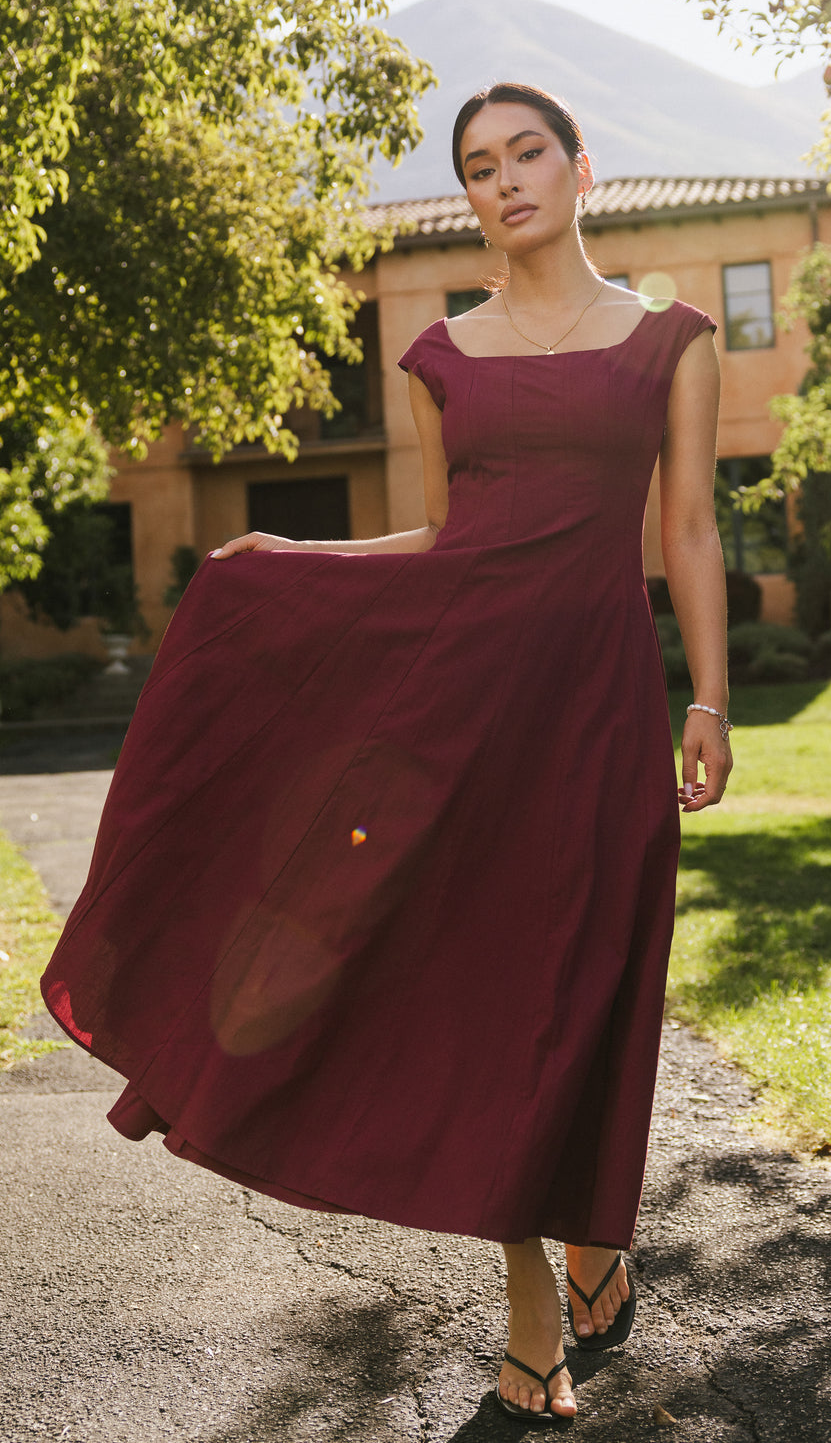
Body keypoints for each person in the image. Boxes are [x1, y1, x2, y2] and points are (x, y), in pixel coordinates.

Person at [42, 81, 732, 1424]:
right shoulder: (441, 358)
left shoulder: (675, 341)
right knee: (480, 1004)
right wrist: (294, 562)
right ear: (470, 196)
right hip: (458, 725)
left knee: (588, 989)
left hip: (594, 722)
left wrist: (706, 702)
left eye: (528, 152)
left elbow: (690, 530)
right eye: (480, 165)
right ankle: (534, 1291)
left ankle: (594, 1231)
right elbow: (444, 547)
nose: (506, 179)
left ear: (581, 169)